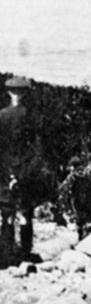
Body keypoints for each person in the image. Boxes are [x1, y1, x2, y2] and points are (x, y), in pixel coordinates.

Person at [0, 76, 31, 266]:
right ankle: (20, 254)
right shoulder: (31, 116)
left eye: (20, 91)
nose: (17, 95)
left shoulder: (2, 115)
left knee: (12, 213)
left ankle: (9, 256)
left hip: (10, 170)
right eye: (16, 91)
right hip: (19, 170)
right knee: (19, 213)